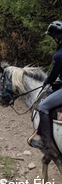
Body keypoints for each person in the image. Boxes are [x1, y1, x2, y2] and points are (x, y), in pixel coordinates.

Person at [31, 20, 62, 155]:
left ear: (57, 37)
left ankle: (45, 141)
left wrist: (47, 81)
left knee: (43, 106)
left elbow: (53, 75)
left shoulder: (59, 55)